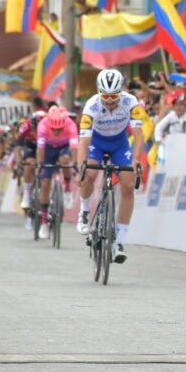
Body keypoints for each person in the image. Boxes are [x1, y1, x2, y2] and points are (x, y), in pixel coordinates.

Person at [76, 69, 146, 264]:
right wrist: (80, 168)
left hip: (119, 143)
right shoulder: (91, 106)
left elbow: (139, 134)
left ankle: (120, 241)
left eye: (114, 96)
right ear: (99, 93)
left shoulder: (131, 102)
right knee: (89, 173)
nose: (110, 100)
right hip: (96, 143)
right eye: (105, 96)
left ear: (121, 92)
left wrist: (136, 159)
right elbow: (83, 142)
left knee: (127, 185)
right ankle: (84, 212)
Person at [35, 105, 78, 239]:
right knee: (46, 183)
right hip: (48, 150)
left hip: (64, 148)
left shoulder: (71, 124)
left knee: (65, 161)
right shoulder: (42, 125)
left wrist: (75, 163)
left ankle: (66, 188)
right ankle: (43, 221)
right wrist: (41, 164)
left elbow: (74, 147)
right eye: (54, 129)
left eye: (59, 129)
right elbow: (40, 148)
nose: (57, 131)